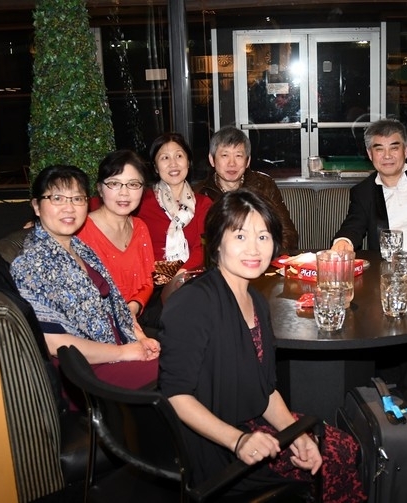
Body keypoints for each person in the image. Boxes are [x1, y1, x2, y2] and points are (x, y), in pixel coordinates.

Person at [158, 189, 364, 500]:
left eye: (263, 237)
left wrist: (296, 436)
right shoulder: (193, 302)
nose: (254, 249)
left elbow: (265, 391)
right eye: (240, 236)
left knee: (341, 447)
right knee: (336, 459)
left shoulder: (255, 300)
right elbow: (175, 396)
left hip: (251, 421)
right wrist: (238, 440)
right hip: (213, 443)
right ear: (216, 242)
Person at [10, 165, 159, 405]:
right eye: (57, 198)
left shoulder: (80, 249)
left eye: (77, 198)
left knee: (193, 359)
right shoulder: (31, 264)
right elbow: (54, 342)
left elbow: (115, 307)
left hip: (115, 352)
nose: (69, 207)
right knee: (181, 374)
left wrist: (139, 339)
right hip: (85, 375)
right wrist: (123, 353)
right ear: (36, 206)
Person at [331, 118, 407, 256]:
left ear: (405, 150)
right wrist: (344, 241)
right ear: (370, 154)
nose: (387, 156)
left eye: (394, 148)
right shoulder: (363, 192)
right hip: (389, 266)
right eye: (379, 149)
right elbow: (353, 225)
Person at [77, 149, 157, 331]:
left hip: (135, 317)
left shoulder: (140, 227)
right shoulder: (82, 231)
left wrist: (133, 307)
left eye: (133, 184)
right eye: (114, 183)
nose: (124, 193)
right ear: (100, 188)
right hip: (98, 326)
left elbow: (147, 282)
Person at [194, 125, 299, 250]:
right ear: (212, 160)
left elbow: (288, 235)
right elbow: (197, 244)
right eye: (225, 155)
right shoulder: (199, 193)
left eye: (238, 155)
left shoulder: (265, 186)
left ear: (248, 161)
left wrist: (261, 255)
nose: (232, 163)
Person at [137, 132, 212, 278]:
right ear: (155, 167)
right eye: (165, 158)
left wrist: (179, 278)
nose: (173, 164)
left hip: (193, 280)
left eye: (179, 156)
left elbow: (202, 249)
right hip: (152, 282)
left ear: (188, 162)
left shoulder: (203, 204)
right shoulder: (141, 203)